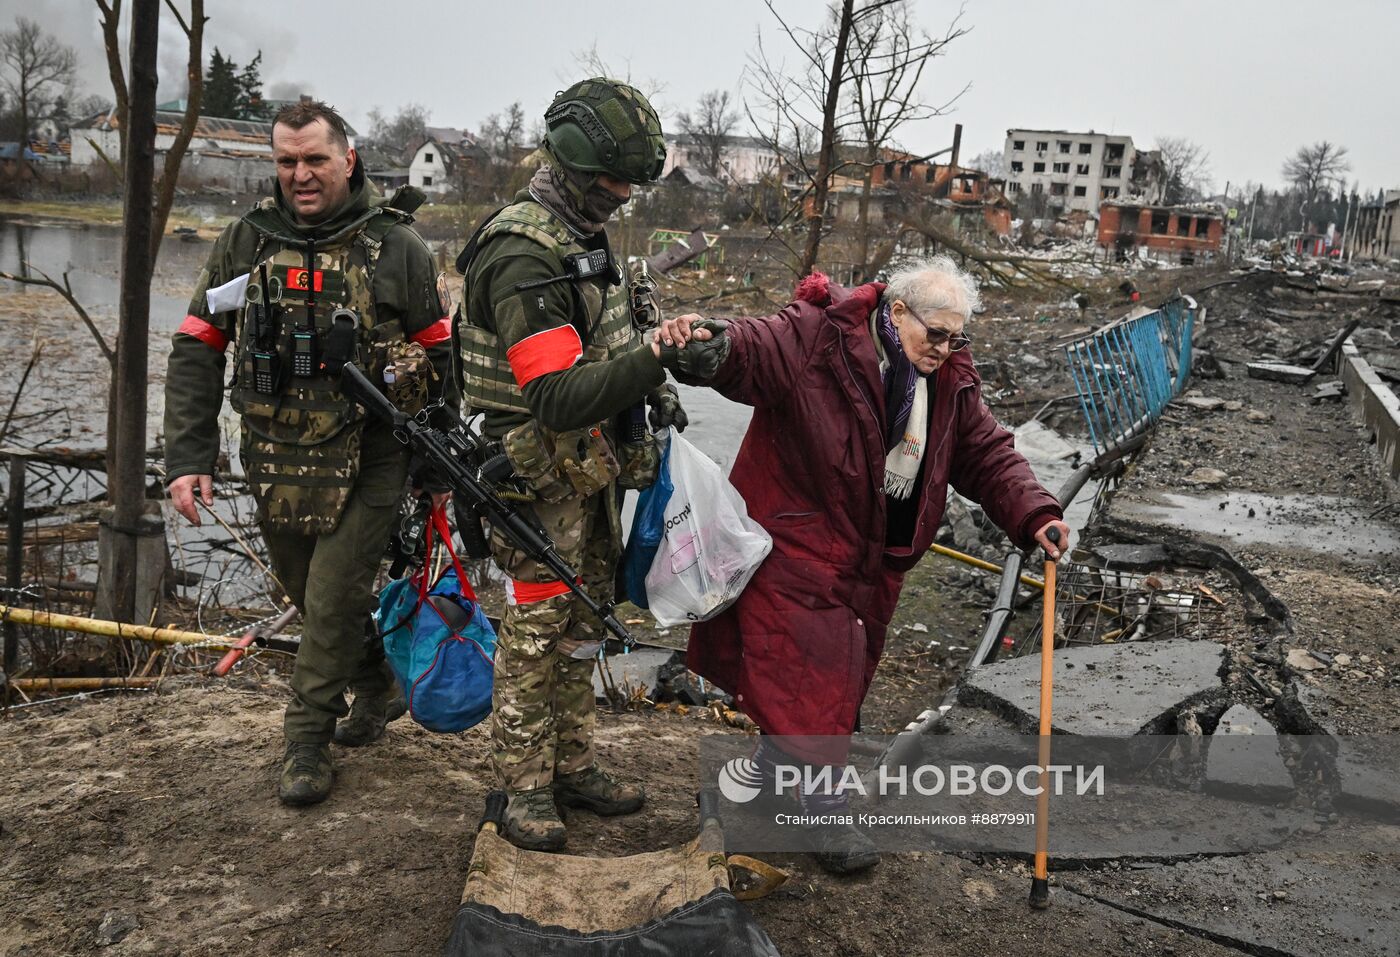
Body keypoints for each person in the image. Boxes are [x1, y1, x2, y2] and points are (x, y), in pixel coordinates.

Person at [655, 256, 1071, 874]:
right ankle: (826, 806)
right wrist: (705, 343)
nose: (946, 348)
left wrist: (1035, 512)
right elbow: (752, 348)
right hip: (796, 544)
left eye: (958, 337)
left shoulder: (949, 378)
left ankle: (765, 775)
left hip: (875, 557)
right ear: (896, 312)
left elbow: (984, 452)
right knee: (817, 677)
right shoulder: (818, 337)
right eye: (936, 333)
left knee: (829, 681)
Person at [163, 100, 457, 806]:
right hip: (276, 453)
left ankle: (305, 742)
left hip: (372, 454)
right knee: (307, 590)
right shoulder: (247, 242)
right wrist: (188, 454)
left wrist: (440, 463)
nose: (300, 174)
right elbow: (198, 346)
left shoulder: (398, 248)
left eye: (314, 159)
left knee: (329, 599)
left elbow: (442, 358)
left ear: (347, 159)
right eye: (287, 161)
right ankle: (378, 682)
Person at [457, 77, 685, 851]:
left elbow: (603, 345)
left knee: (583, 620)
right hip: (533, 475)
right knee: (534, 625)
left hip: (584, 471)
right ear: (574, 166)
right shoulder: (524, 254)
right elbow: (554, 396)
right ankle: (522, 785)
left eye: (630, 185)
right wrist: (653, 360)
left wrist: (648, 380)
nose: (622, 196)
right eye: (612, 183)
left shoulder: (578, 229)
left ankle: (572, 762)